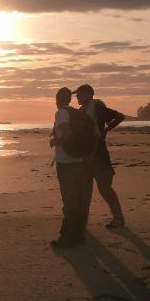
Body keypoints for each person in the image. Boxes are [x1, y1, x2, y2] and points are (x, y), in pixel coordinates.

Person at [73, 84, 125, 228]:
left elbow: (119, 116)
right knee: (85, 190)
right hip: (85, 156)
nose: (77, 97)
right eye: (77, 95)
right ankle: (82, 222)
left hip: (99, 154)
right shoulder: (82, 110)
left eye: (80, 94)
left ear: (89, 94)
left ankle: (118, 218)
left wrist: (106, 130)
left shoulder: (97, 106)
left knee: (105, 189)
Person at [50, 87, 93, 248]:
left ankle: (67, 237)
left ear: (57, 99)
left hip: (66, 162)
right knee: (80, 200)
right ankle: (79, 235)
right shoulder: (78, 113)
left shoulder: (61, 112)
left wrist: (56, 141)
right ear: (69, 99)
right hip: (80, 161)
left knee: (69, 201)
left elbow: (66, 133)